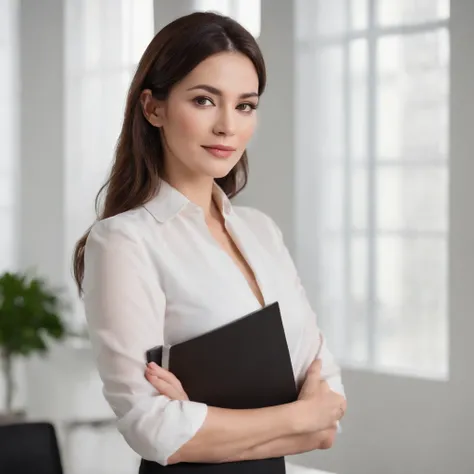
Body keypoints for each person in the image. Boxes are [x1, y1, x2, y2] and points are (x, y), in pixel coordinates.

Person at [72, 11, 346, 474]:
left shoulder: (262, 232)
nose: (227, 126)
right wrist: (297, 416)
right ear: (152, 107)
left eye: (245, 105)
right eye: (204, 100)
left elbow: (328, 422)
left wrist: (199, 423)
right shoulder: (123, 241)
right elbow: (153, 430)